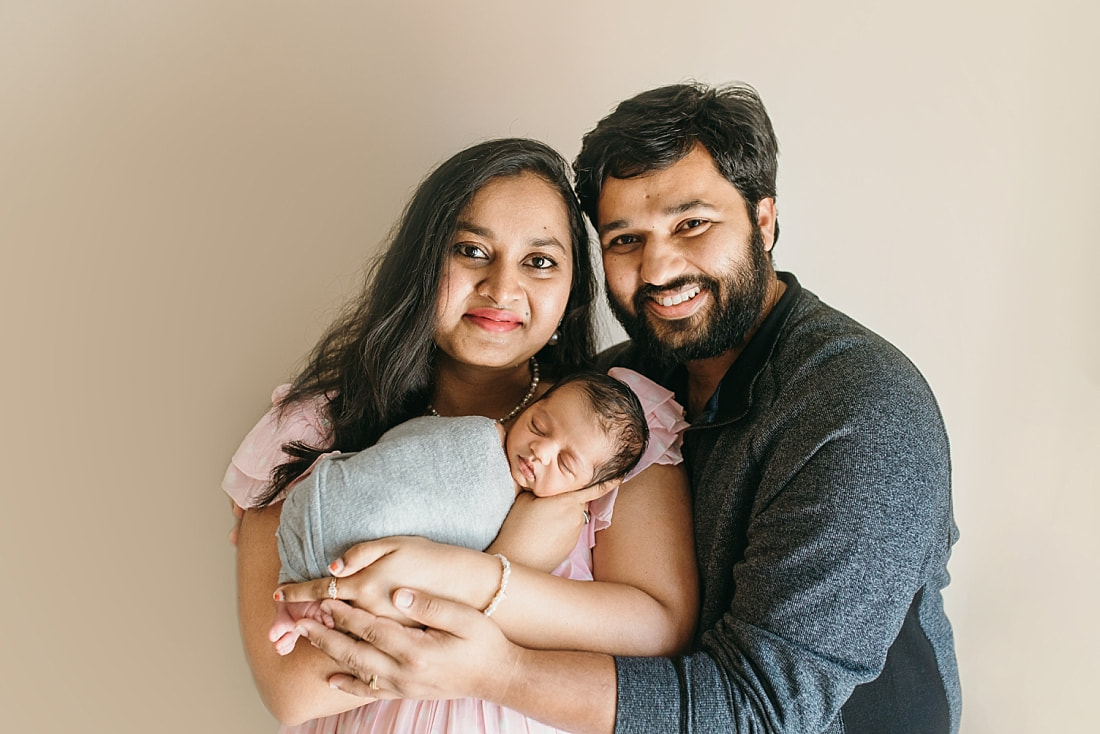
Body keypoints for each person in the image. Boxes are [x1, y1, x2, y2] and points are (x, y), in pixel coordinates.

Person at [281, 83, 961, 734]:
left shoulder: (858, 409)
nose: (659, 268)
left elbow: (766, 711)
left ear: (764, 218)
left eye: (691, 224)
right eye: (626, 240)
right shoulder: (619, 388)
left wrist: (502, 670)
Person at [230, 137, 697, 733]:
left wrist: (463, 582)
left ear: (573, 287)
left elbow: (656, 628)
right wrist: (511, 573)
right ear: (424, 263)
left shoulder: (612, 425)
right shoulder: (311, 427)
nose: (503, 289)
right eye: (472, 251)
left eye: (540, 261)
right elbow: (293, 689)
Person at [263, 369, 671, 656]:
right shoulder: (480, 433)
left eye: (566, 464)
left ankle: (295, 611)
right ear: (534, 403)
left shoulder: (559, 519)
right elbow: (402, 448)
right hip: (323, 512)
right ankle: (293, 600)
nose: (540, 452)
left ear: (593, 488)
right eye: (539, 426)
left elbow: (656, 632)